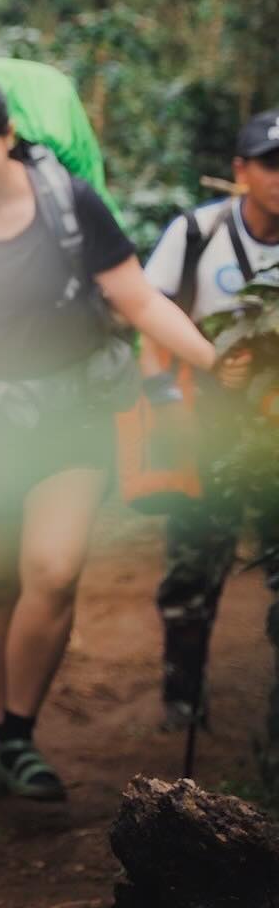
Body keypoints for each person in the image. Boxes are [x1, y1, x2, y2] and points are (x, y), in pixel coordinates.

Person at [0, 67, 232, 802]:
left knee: (54, 570)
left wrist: (218, 362)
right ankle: (5, 736)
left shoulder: (68, 202)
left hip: (70, 418)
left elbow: (136, 300)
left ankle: (20, 732)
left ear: (8, 137)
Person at [141, 107, 279, 731]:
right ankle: (183, 697)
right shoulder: (197, 232)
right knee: (195, 562)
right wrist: (163, 397)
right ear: (241, 170)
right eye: (270, 165)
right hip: (207, 419)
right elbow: (148, 314)